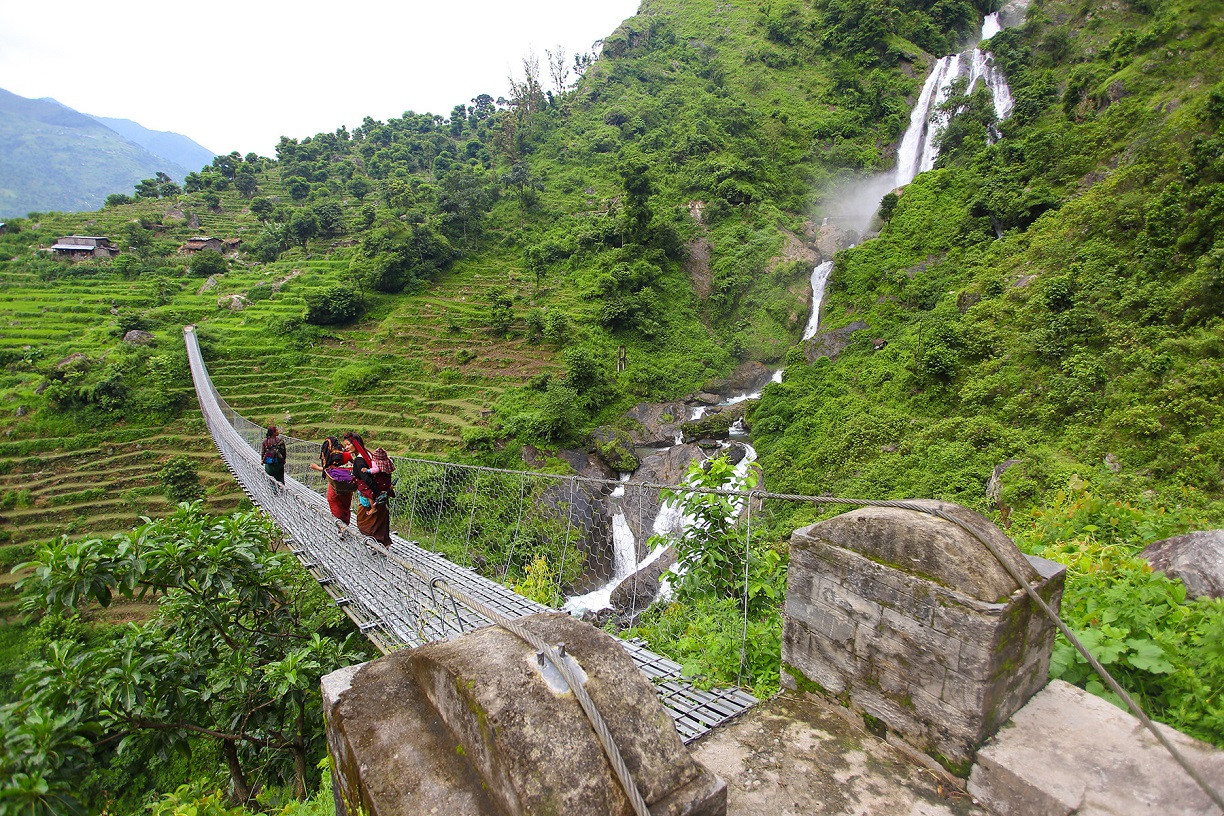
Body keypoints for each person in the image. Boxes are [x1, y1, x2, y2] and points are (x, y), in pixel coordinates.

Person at [343, 432, 394, 547]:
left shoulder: (359, 460)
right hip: (380, 490)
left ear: (356, 443)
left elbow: (367, 479)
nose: (346, 448)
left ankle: (377, 545)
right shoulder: (368, 454)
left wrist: (377, 493)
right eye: (345, 445)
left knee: (363, 522)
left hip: (371, 493)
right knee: (380, 521)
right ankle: (383, 544)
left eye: (348, 444)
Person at [310, 436, 355, 524]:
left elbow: (328, 469)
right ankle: (346, 522)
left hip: (336, 483)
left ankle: (340, 524)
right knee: (346, 503)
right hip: (348, 482)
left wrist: (316, 468)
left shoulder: (331, 458)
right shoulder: (346, 454)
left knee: (333, 499)